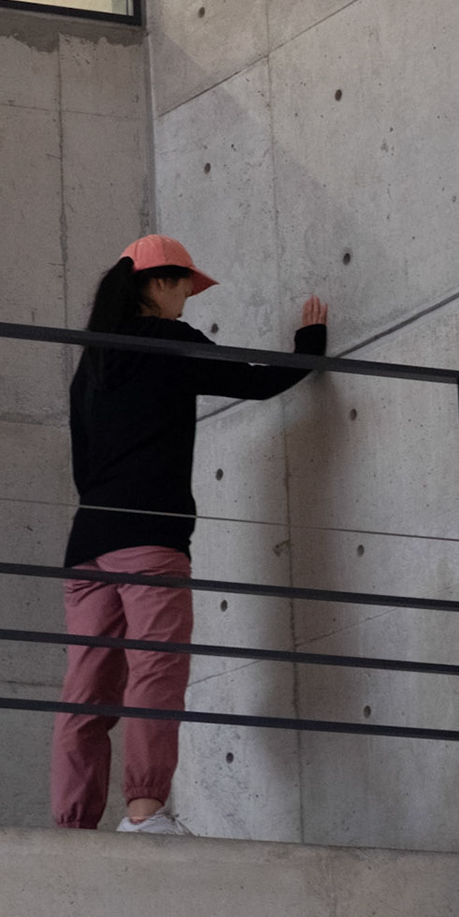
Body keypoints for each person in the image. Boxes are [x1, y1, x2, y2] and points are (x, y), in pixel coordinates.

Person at [51, 234, 326, 834]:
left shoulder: (93, 363)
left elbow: (81, 466)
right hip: (151, 536)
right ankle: (145, 813)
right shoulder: (168, 340)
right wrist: (310, 347)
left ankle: (72, 827)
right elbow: (256, 382)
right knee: (156, 670)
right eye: (184, 287)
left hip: (88, 544)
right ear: (158, 283)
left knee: (85, 690)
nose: (187, 301)